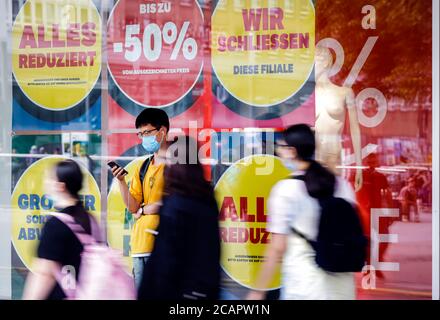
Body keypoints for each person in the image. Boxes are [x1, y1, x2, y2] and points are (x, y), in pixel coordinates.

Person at [247, 124, 357, 300]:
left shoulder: (286, 189)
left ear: (292, 151)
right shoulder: (341, 184)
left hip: (304, 285)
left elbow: (277, 247)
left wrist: (258, 291)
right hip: (342, 287)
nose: (279, 152)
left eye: (281, 147)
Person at [138, 136, 221, 300]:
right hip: (204, 289)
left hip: (177, 291)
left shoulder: (174, 204)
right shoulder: (208, 198)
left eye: (168, 159)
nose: (165, 165)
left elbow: (165, 261)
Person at [22, 159, 101, 300]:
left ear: (60, 186)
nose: (46, 183)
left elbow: (44, 274)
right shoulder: (89, 219)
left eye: (50, 179)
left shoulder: (55, 224)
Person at [111, 108, 170, 290]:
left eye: (147, 132)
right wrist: (121, 182)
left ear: (162, 131)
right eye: (141, 134)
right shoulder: (143, 167)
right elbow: (132, 207)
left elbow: (174, 201)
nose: (144, 138)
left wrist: (144, 210)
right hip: (139, 246)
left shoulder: (178, 165)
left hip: (164, 247)